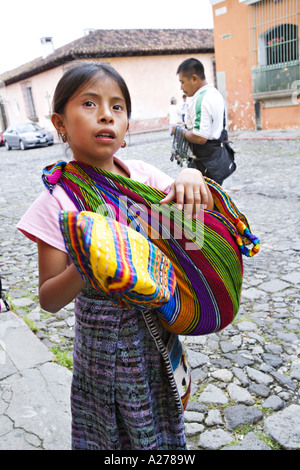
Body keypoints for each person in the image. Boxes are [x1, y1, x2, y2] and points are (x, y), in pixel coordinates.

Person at [17, 61, 214, 450]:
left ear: (125, 129)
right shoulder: (57, 201)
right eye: (89, 104)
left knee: (159, 425)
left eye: (117, 107)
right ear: (60, 122)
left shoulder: (143, 178)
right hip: (102, 351)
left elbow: (192, 238)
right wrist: (88, 263)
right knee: (111, 435)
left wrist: (191, 177)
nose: (106, 114)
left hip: (156, 336)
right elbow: (48, 299)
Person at [173, 58, 227, 183]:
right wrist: (186, 126)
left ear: (194, 78)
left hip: (205, 163)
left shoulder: (201, 100)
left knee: (202, 199)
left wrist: (180, 131)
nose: (181, 87)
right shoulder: (214, 93)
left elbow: (200, 137)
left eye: (182, 82)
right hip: (216, 158)